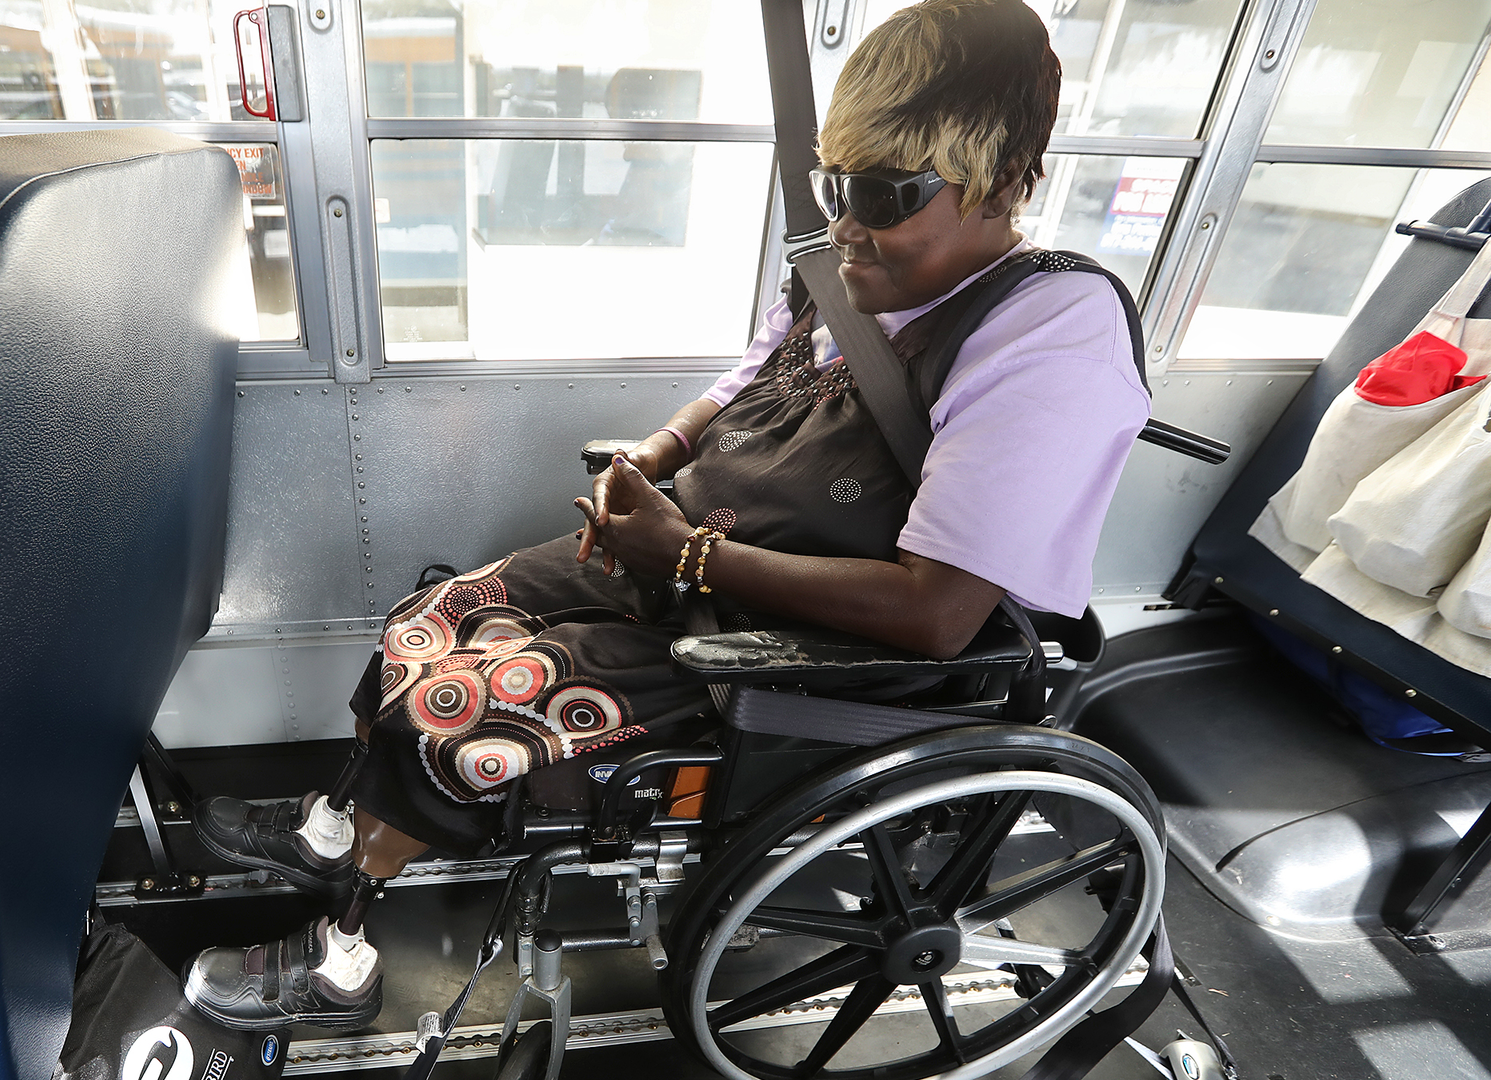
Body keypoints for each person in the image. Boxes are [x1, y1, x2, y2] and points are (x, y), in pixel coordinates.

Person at [181, 0, 1150, 1029]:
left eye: (886, 191)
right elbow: (749, 378)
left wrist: (685, 555)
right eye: (837, 183)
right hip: (693, 555)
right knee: (442, 614)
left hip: (801, 637)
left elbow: (939, 614)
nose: (850, 220)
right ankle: (340, 827)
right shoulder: (850, 269)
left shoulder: (1050, 334)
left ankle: (343, 964)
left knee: (454, 712)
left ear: (1003, 181)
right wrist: (657, 455)